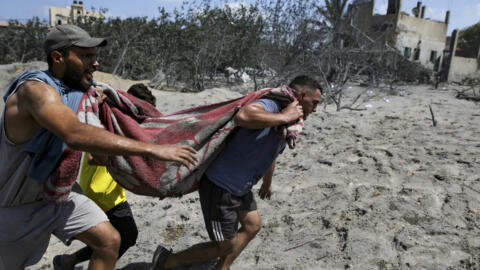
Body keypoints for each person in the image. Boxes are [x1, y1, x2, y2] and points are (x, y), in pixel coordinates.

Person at [0, 24, 197, 270]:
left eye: (95, 56)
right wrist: (152, 149)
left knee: (110, 240)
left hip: (60, 195)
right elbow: (73, 133)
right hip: (17, 205)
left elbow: (95, 142)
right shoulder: (35, 91)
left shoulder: (79, 93)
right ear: (58, 57)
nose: (95, 63)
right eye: (86, 56)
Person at [150, 75, 322, 270]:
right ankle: (167, 262)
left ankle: (221, 268)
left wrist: (267, 182)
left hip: (240, 187)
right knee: (224, 245)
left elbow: (271, 153)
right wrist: (284, 116)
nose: (315, 109)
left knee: (252, 226)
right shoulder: (273, 106)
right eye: (314, 103)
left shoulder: (288, 125)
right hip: (221, 185)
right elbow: (244, 116)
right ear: (301, 95)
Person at [52, 83, 158, 269]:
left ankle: (68, 261)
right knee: (125, 236)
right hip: (102, 192)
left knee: (115, 237)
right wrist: (131, 160)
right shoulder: (106, 123)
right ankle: (77, 262)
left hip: (108, 190)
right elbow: (94, 158)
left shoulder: (115, 123)